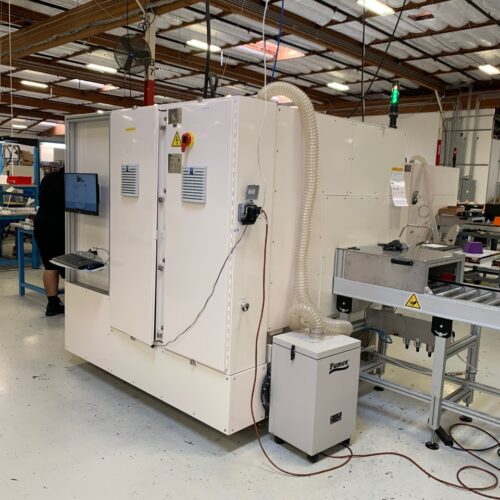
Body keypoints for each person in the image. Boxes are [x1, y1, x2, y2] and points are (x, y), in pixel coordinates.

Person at [34, 166, 65, 316]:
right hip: (57, 225)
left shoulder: (48, 177)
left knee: (49, 264)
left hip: (41, 223)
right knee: (68, 265)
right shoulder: (69, 181)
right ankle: (76, 302)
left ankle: (52, 303)